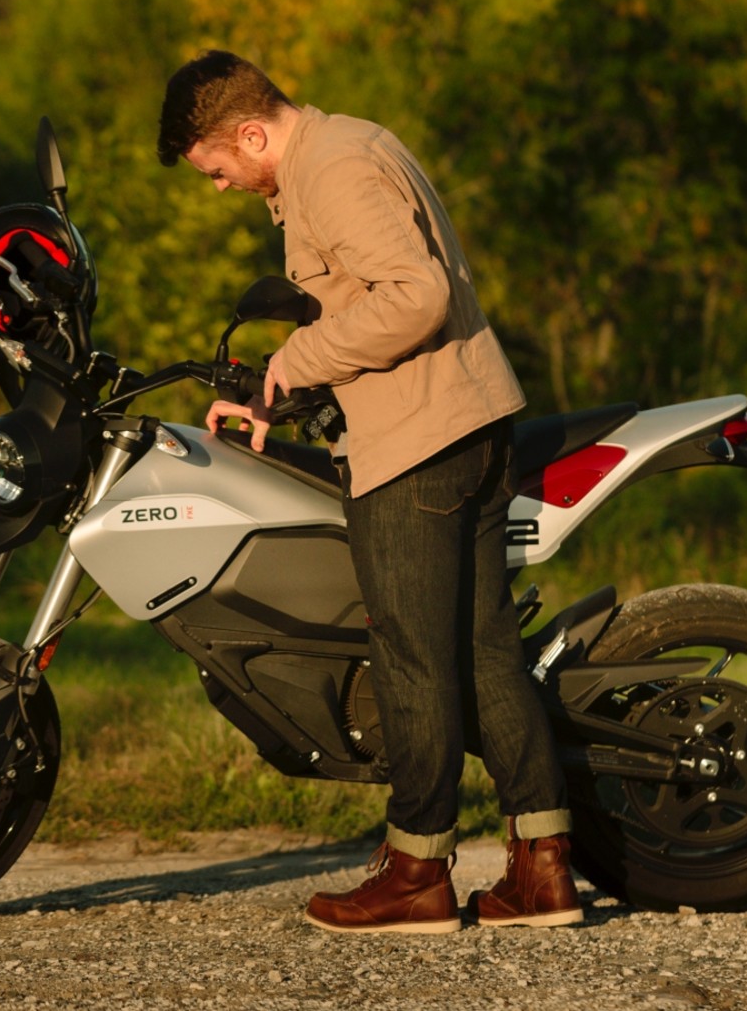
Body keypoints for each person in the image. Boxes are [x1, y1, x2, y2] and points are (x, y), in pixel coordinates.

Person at [158, 50, 582, 935]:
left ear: (247, 132)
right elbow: (371, 303)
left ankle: (417, 872)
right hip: (465, 422)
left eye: (216, 169)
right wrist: (281, 395)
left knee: (412, 660)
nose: (221, 186)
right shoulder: (353, 142)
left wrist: (291, 362)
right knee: (483, 654)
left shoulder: (330, 168)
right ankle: (542, 869)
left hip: (417, 444)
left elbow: (414, 297)